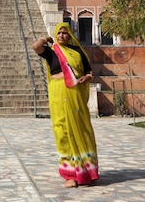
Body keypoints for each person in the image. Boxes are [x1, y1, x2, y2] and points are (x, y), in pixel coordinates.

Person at [32, 22, 99, 188]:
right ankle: (70, 175)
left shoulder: (77, 52)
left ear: (70, 35)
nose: (62, 35)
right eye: (59, 33)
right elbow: (36, 46)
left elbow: (89, 71)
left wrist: (88, 78)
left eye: (65, 33)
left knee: (81, 130)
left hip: (75, 93)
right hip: (58, 93)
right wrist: (47, 38)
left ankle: (87, 171)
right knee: (63, 130)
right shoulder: (51, 52)